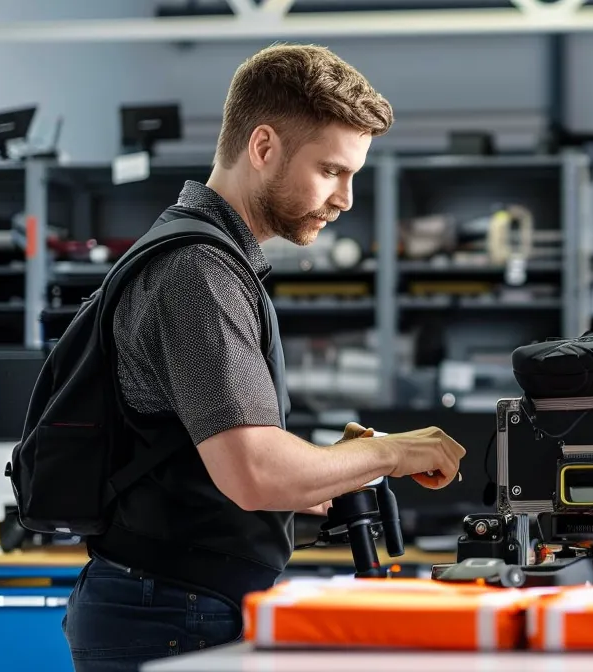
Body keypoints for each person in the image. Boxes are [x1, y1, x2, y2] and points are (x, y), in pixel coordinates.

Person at [62, 44, 467, 672]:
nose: (347, 198)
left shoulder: (209, 257)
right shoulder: (198, 270)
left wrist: (331, 468)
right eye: (332, 170)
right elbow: (252, 474)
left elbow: (204, 460)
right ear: (263, 147)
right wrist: (395, 450)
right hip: (173, 610)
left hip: (175, 601)